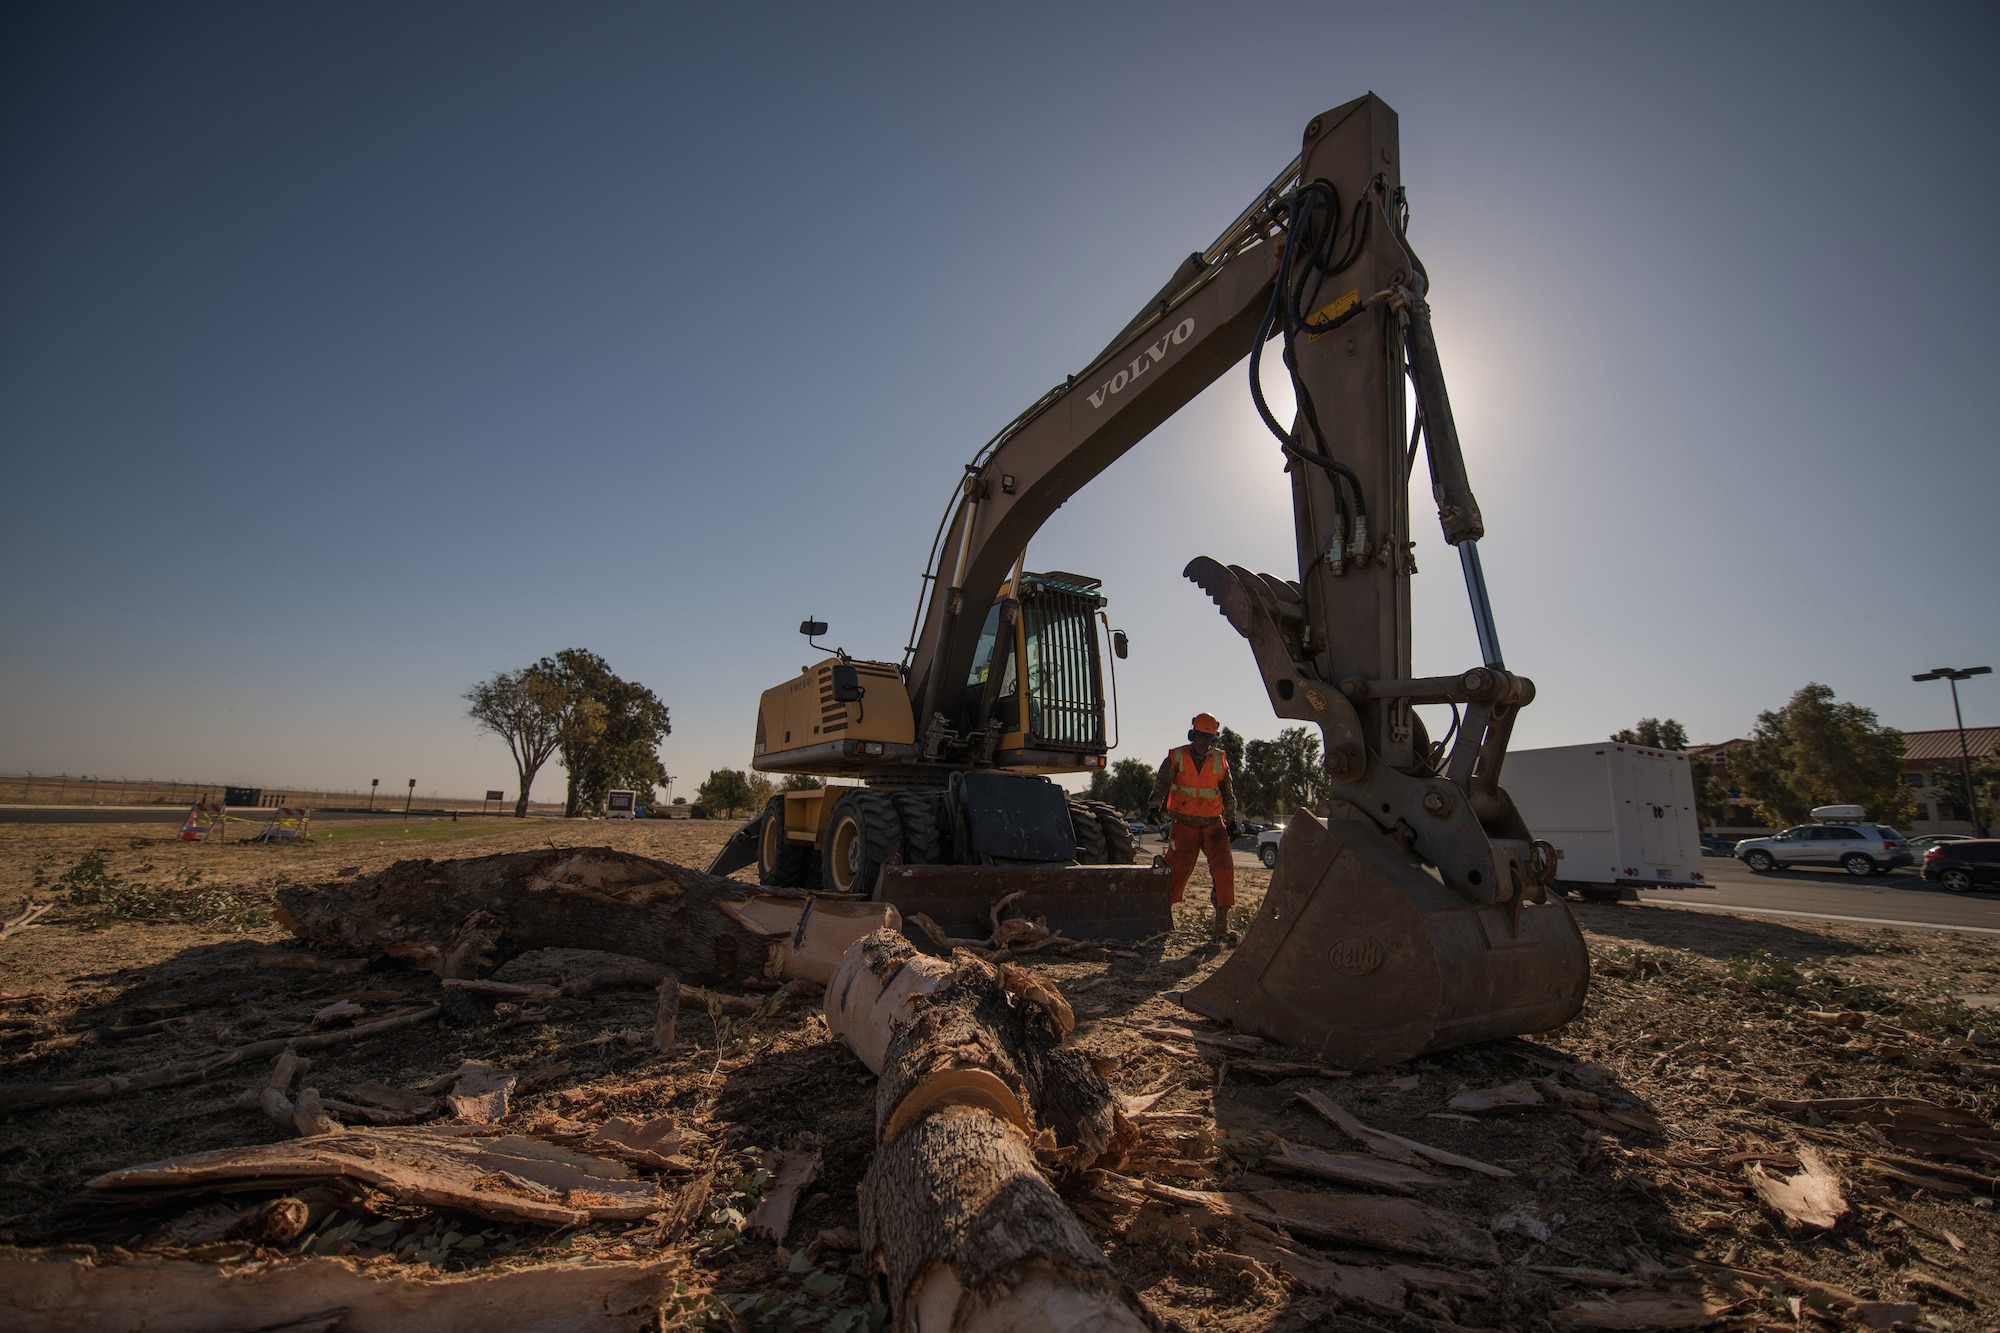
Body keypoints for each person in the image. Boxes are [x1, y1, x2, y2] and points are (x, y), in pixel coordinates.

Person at [1148, 713, 1240, 942]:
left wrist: (1232, 821)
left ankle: (1220, 928)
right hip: (1184, 824)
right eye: (1202, 737)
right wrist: (1153, 807)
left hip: (1212, 823)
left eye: (1210, 738)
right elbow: (1162, 784)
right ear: (1193, 735)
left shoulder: (1220, 759)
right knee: (1175, 871)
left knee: (1224, 870)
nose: (1206, 742)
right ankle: (1162, 923)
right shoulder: (1177, 757)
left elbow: (1228, 792)